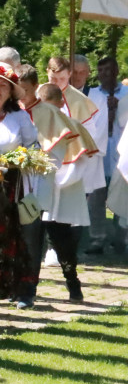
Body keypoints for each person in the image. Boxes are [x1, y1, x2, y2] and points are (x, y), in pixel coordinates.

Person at [0, 62, 37, 321]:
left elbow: (34, 149)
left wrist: (13, 161)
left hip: (7, 188)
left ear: (12, 92)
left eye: (3, 85)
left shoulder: (19, 117)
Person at [37, 83, 92, 301]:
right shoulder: (34, 125)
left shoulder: (73, 126)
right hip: (35, 192)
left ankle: (72, 282)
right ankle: (26, 288)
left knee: (62, 242)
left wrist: (55, 182)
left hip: (61, 191)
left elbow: (81, 162)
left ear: (62, 104)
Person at [85, 57, 128, 254]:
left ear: (117, 70)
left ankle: (121, 237)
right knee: (96, 198)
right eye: (101, 71)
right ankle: (97, 238)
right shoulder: (92, 95)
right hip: (99, 152)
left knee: (122, 195)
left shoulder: (127, 94)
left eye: (109, 70)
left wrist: (120, 108)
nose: (104, 74)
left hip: (120, 152)